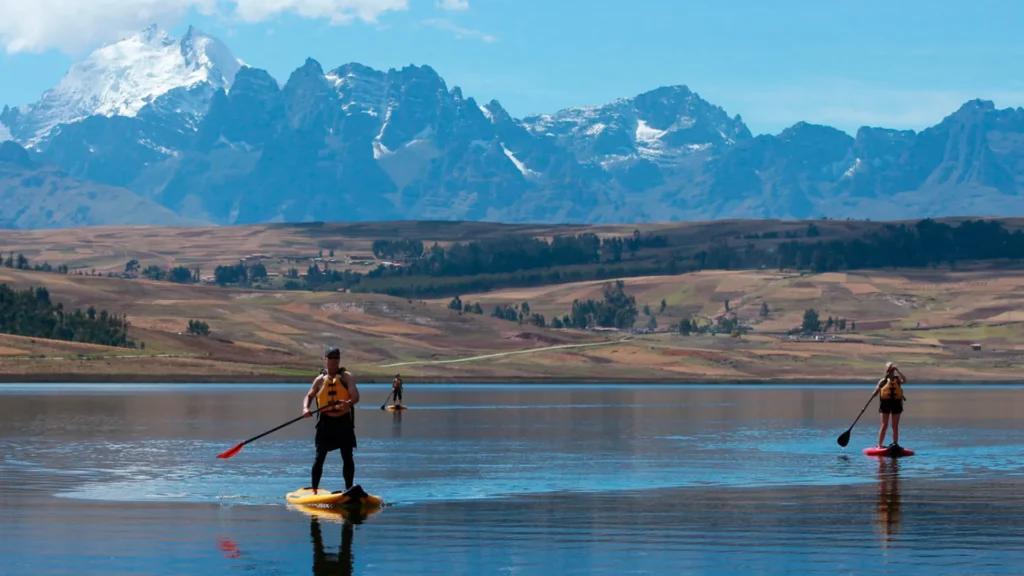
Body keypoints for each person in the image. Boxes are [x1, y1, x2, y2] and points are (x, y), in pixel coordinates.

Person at [303, 347, 361, 493]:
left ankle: (349, 489)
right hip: (325, 422)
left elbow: (355, 395)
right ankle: (314, 490)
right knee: (319, 456)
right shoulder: (319, 380)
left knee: (347, 456)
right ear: (325, 360)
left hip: (343, 422)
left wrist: (349, 403)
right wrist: (305, 408)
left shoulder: (346, 377)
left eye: (336, 357)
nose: (334, 360)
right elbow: (309, 396)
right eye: (331, 357)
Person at [872, 362, 906, 449]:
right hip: (885, 404)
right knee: (884, 424)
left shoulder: (897, 379)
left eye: (892, 369)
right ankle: (879, 445)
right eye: (889, 369)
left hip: (896, 403)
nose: (891, 371)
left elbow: (905, 380)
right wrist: (877, 390)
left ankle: (895, 443)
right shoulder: (882, 381)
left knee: (895, 425)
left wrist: (898, 370)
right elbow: (875, 394)